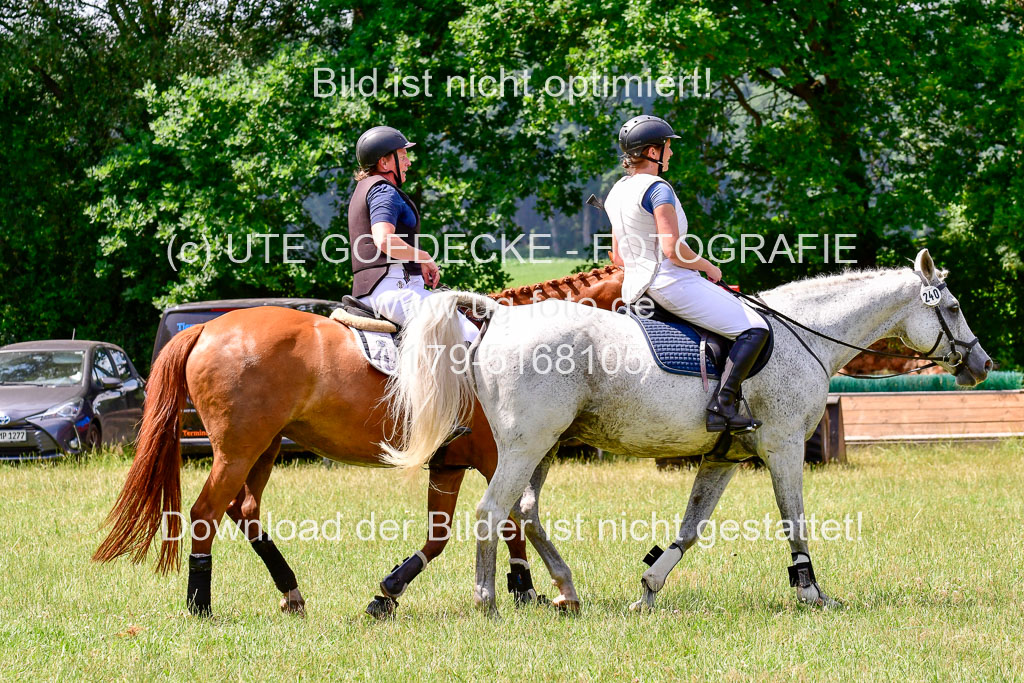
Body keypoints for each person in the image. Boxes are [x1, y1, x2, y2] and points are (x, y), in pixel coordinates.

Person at [605, 115, 769, 434]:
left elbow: (618, 256)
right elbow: (673, 250)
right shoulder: (658, 189)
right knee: (755, 327)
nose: (671, 153)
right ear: (653, 152)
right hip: (670, 283)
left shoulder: (616, 192)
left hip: (634, 291)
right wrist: (709, 267)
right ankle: (721, 407)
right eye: (667, 147)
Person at [347, 125, 479, 343]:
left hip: (382, 288)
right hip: (391, 290)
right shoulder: (383, 191)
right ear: (384, 162)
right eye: (403, 156)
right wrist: (423, 257)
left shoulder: (367, 188)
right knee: (470, 334)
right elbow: (384, 239)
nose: (409, 162)